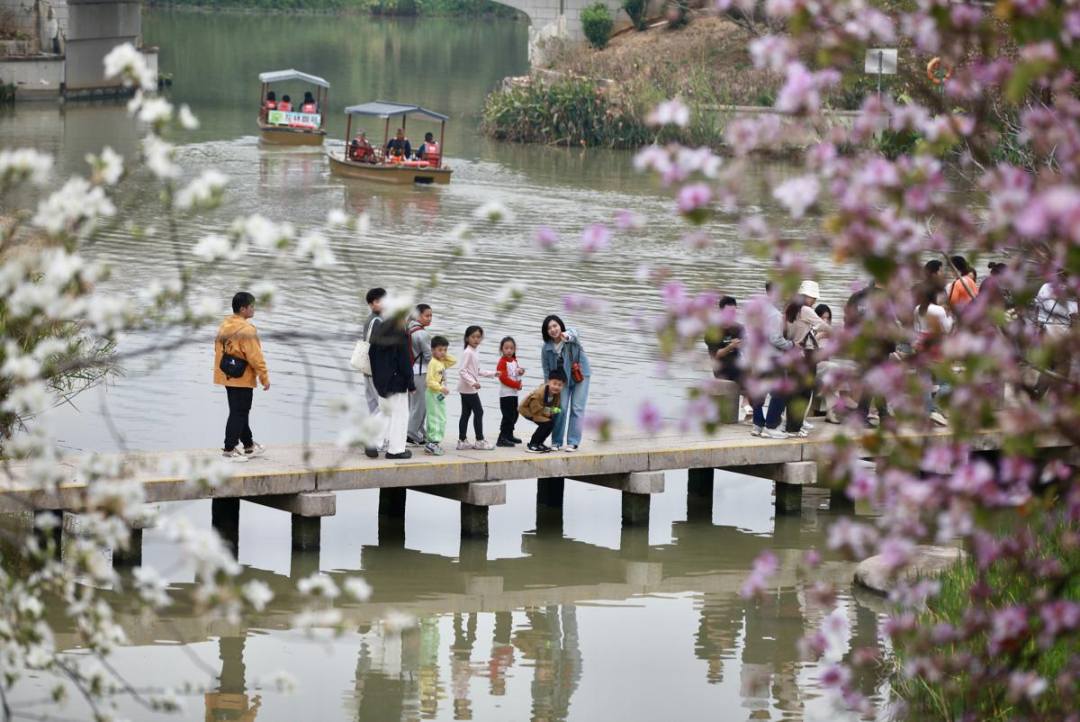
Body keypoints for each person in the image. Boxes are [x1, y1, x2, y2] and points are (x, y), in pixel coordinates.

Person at [213, 291, 270, 461]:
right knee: (239, 412)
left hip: (227, 375)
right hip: (242, 377)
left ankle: (249, 446)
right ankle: (229, 449)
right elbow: (256, 357)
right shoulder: (247, 330)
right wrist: (264, 378)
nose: (254, 309)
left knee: (239, 411)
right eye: (251, 306)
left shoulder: (225, 325)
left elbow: (217, 348)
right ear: (243, 309)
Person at [540, 315, 591, 451]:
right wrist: (548, 388)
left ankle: (573, 442)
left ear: (560, 326)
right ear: (546, 332)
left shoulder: (570, 337)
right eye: (549, 328)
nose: (553, 329)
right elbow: (546, 369)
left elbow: (575, 332)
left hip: (580, 375)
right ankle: (556, 442)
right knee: (560, 408)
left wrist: (567, 336)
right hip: (561, 381)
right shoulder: (546, 348)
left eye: (555, 326)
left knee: (577, 408)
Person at [369, 313, 415, 460]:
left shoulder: (380, 331)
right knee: (400, 416)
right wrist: (411, 384)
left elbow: (371, 354)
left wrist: (378, 376)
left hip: (381, 381)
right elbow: (405, 362)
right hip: (397, 382)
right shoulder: (400, 335)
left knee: (385, 412)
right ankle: (396, 450)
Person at [750, 282, 792, 439]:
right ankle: (771, 426)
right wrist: (791, 345)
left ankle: (758, 424)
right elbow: (776, 339)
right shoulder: (774, 314)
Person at [913, 281, 952, 426]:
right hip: (936, 345)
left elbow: (916, 329)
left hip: (922, 344)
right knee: (947, 382)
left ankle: (928, 411)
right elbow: (946, 329)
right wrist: (950, 316)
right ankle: (934, 408)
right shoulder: (939, 310)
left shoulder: (918, 309)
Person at [458, 325, 497, 450]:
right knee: (479, 412)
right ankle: (479, 440)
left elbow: (476, 370)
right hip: (468, 389)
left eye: (478, 337)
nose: (476, 339)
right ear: (467, 338)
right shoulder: (468, 352)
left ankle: (462, 441)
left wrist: (493, 373)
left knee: (466, 413)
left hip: (466, 388)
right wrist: (473, 382)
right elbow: (462, 371)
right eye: (473, 337)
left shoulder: (474, 351)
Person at [519, 370, 567, 453]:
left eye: (560, 385)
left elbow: (556, 406)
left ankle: (539, 443)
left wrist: (553, 411)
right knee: (546, 423)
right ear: (548, 382)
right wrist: (550, 411)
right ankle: (533, 445)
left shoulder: (557, 393)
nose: (556, 387)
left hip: (540, 410)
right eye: (554, 383)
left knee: (551, 423)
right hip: (528, 410)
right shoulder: (539, 393)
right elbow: (535, 409)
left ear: (563, 386)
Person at [406, 304, 434, 446]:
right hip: (421, 372)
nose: (429, 318)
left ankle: (419, 433)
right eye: (427, 315)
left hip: (410, 371)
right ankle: (411, 434)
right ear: (418, 316)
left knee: (413, 404)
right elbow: (429, 356)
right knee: (421, 405)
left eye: (431, 315)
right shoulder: (422, 334)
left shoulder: (408, 329)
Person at [424, 336, 455, 456]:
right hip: (433, 393)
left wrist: (443, 355)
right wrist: (441, 388)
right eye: (440, 350)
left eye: (445, 350)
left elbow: (453, 361)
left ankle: (432, 442)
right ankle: (433, 442)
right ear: (432, 350)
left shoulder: (440, 362)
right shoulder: (433, 363)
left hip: (438, 394)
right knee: (437, 418)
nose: (443, 352)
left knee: (439, 417)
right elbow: (429, 381)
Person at [705, 296, 743, 385]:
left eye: (733, 312)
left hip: (737, 366)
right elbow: (716, 355)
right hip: (722, 370)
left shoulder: (739, 328)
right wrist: (730, 346)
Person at [496, 337, 526, 447]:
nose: (509, 350)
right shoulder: (502, 362)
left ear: (514, 349)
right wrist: (516, 385)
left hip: (514, 393)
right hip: (505, 394)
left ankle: (509, 435)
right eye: (506, 348)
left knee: (515, 414)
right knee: (507, 416)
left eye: (511, 348)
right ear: (502, 349)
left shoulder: (514, 361)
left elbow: (515, 374)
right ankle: (502, 438)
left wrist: (520, 372)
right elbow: (503, 378)